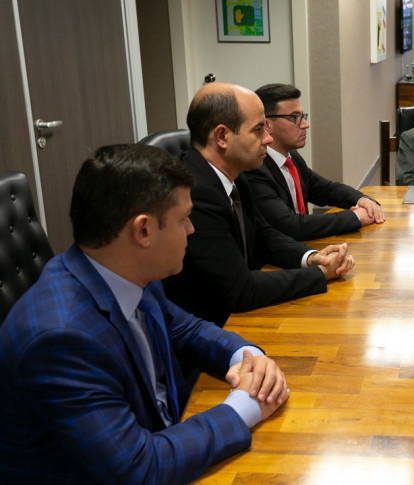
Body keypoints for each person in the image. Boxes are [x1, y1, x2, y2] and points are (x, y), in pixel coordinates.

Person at [0, 144, 288, 483]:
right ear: (143, 231)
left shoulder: (126, 272)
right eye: (183, 220)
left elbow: (186, 328)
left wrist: (247, 356)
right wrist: (243, 408)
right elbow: (140, 469)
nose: (192, 230)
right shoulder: (62, 340)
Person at [162, 82, 354, 326]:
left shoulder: (235, 173)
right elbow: (241, 290)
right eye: (258, 130)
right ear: (222, 136)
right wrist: (319, 275)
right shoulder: (195, 193)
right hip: (214, 326)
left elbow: (264, 236)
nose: (268, 138)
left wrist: (313, 257)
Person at [246, 83, 386, 241]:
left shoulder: (292, 157)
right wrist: (355, 217)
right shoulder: (254, 168)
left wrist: (362, 200)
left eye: (302, 116)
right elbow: (290, 225)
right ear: (267, 125)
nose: (305, 125)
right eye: (294, 118)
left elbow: (326, 189)